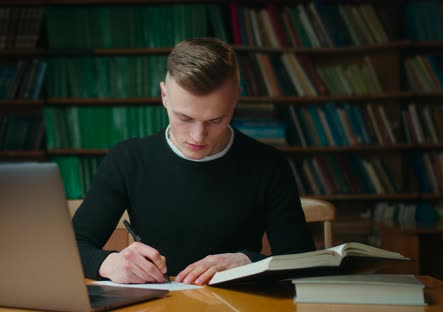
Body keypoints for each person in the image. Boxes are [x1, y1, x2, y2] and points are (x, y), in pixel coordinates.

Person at [72, 37, 314, 285]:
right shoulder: (127, 159)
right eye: (184, 118)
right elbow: (71, 248)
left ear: (235, 99)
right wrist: (109, 263)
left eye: (215, 120)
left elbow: (302, 260)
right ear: (164, 96)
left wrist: (248, 261)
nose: (198, 137)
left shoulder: (268, 165)